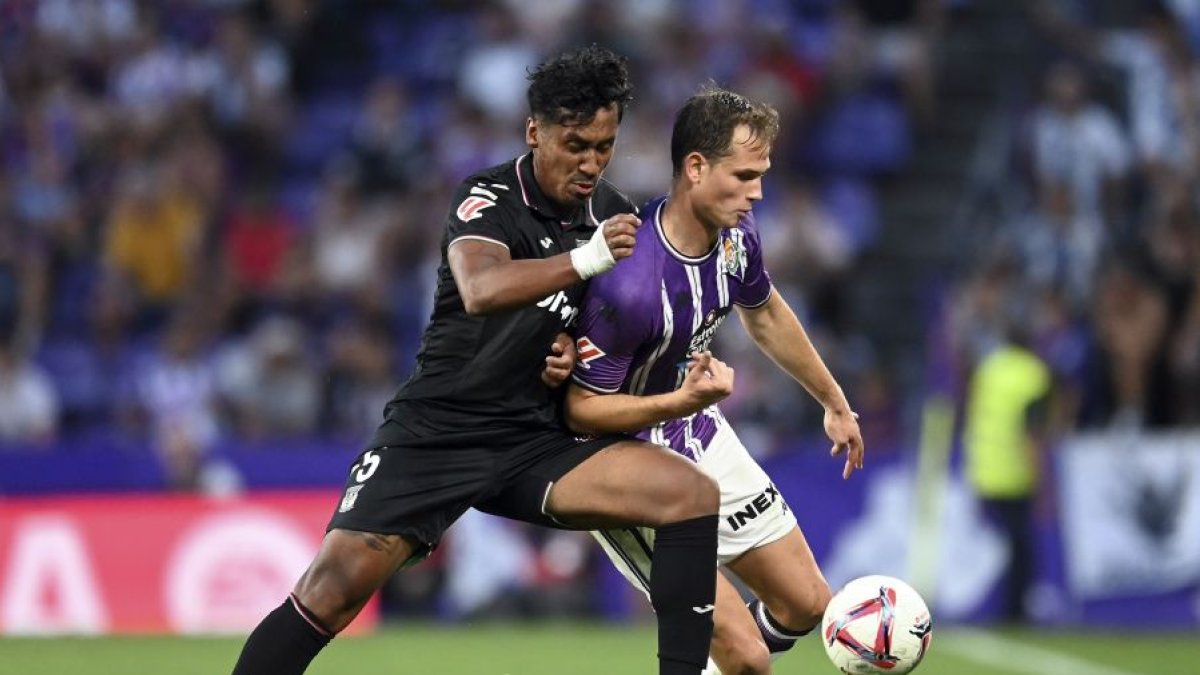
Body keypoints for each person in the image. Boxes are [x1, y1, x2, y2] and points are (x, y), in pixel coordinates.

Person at [229, 46, 721, 675]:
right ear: (534, 131)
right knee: (333, 587)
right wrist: (584, 261)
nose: (591, 162)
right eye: (575, 144)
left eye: (604, 145)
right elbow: (482, 289)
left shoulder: (613, 214)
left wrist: (573, 353)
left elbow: (605, 326)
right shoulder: (488, 197)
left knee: (686, 494)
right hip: (442, 428)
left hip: (537, 437)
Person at [564, 86, 865, 675]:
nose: (756, 193)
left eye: (763, 176)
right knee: (749, 661)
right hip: (623, 464)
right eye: (745, 175)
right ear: (696, 168)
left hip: (695, 428)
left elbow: (766, 311)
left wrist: (833, 401)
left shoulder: (735, 235)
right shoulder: (628, 281)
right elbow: (580, 412)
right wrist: (682, 399)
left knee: (807, 604)